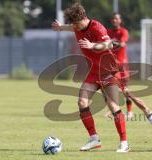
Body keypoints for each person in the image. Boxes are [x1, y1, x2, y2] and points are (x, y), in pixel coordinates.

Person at [52, 3, 129, 153]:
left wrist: (92, 45)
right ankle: (94, 139)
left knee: (113, 106)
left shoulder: (97, 27)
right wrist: (61, 27)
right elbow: (71, 27)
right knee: (82, 102)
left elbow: (109, 44)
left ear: (84, 18)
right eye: (72, 24)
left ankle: (124, 143)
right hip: (94, 71)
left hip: (108, 70)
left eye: (76, 23)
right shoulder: (76, 26)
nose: (74, 27)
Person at [105, 12, 133, 119]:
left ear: (120, 21)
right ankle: (114, 111)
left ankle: (129, 112)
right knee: (111, 88)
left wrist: (110, 44)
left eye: (116, 19)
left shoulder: (123, 31)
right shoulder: (107, 32)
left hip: (122, 64)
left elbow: (122, 43)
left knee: (126, 89)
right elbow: (103, 42)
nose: (114, 20)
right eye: (113, 19)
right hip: (112, 65)